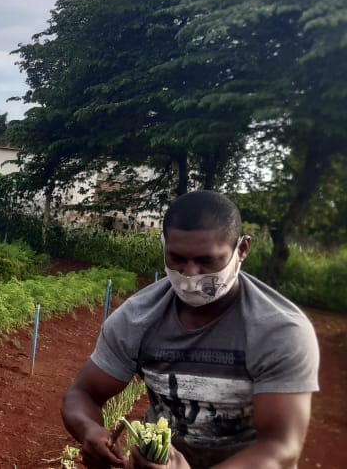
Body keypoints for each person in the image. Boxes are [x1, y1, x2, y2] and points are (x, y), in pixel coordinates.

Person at [61, 190, 320, 469]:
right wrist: (89, 430)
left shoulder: (279, 330)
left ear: (242, 249)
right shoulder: (136, 318)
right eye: (177, 258)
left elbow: (281, 447)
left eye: (207, 261)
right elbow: (83, 393)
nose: (190, 274)